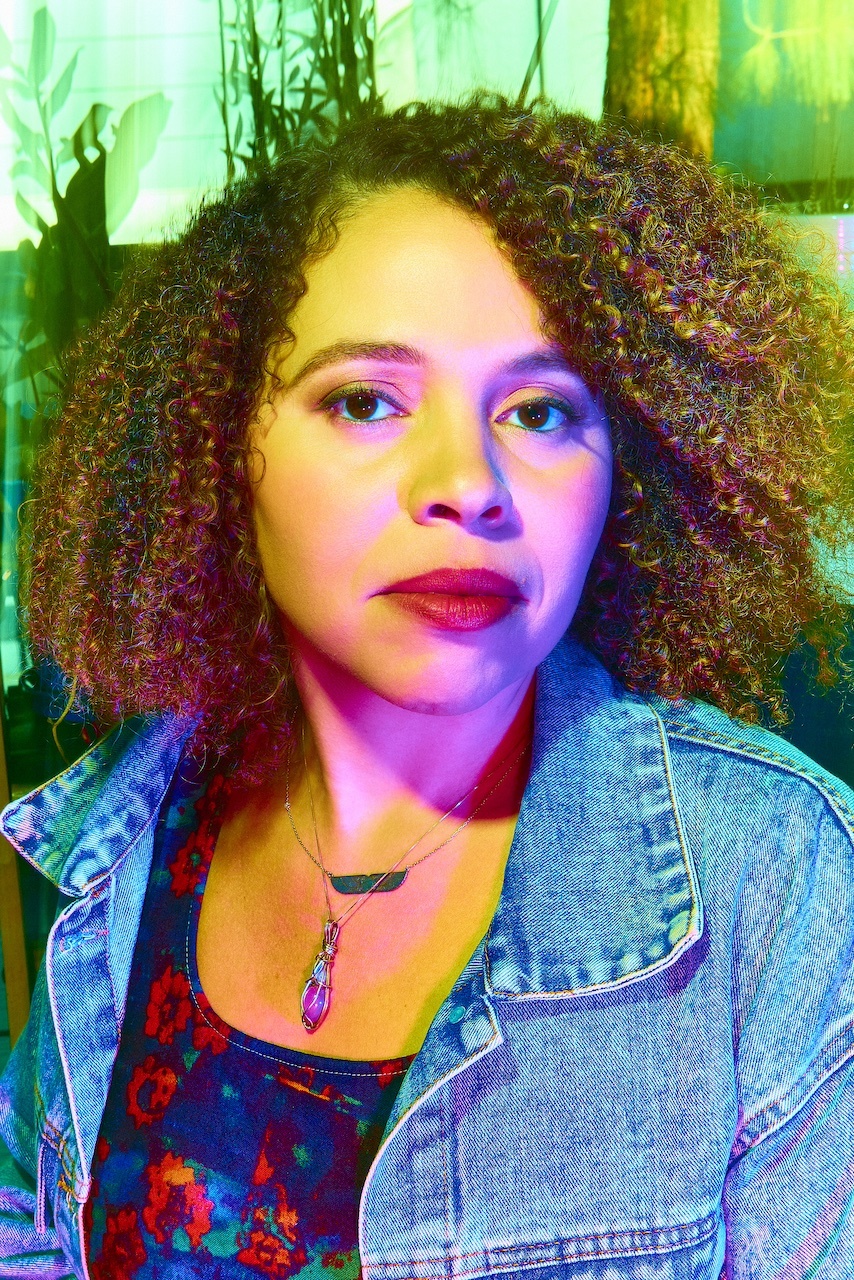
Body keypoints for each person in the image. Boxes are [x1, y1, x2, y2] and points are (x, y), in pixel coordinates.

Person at [0, 92, 853, 1280]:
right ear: (218, 449)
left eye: (539, 411)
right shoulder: (120, 836)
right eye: (364, 400)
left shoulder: (772, 877)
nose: (468, 480)